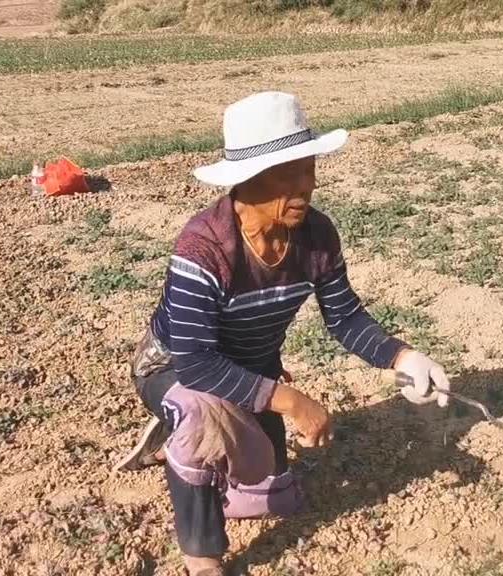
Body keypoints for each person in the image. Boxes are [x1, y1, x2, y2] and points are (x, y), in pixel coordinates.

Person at [116, 91, 452, 576]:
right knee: (197, 412)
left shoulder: (316, 236)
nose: (307, 184)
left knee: (273, 498)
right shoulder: (203, 248)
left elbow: (345, 317)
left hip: (252, 369)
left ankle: (200, 437)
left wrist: (404, 358)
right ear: (246, 182)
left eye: (309, 166)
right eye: (288, 172)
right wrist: (291, 401)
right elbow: (196, 363)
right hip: (173, 369)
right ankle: (202, 557)